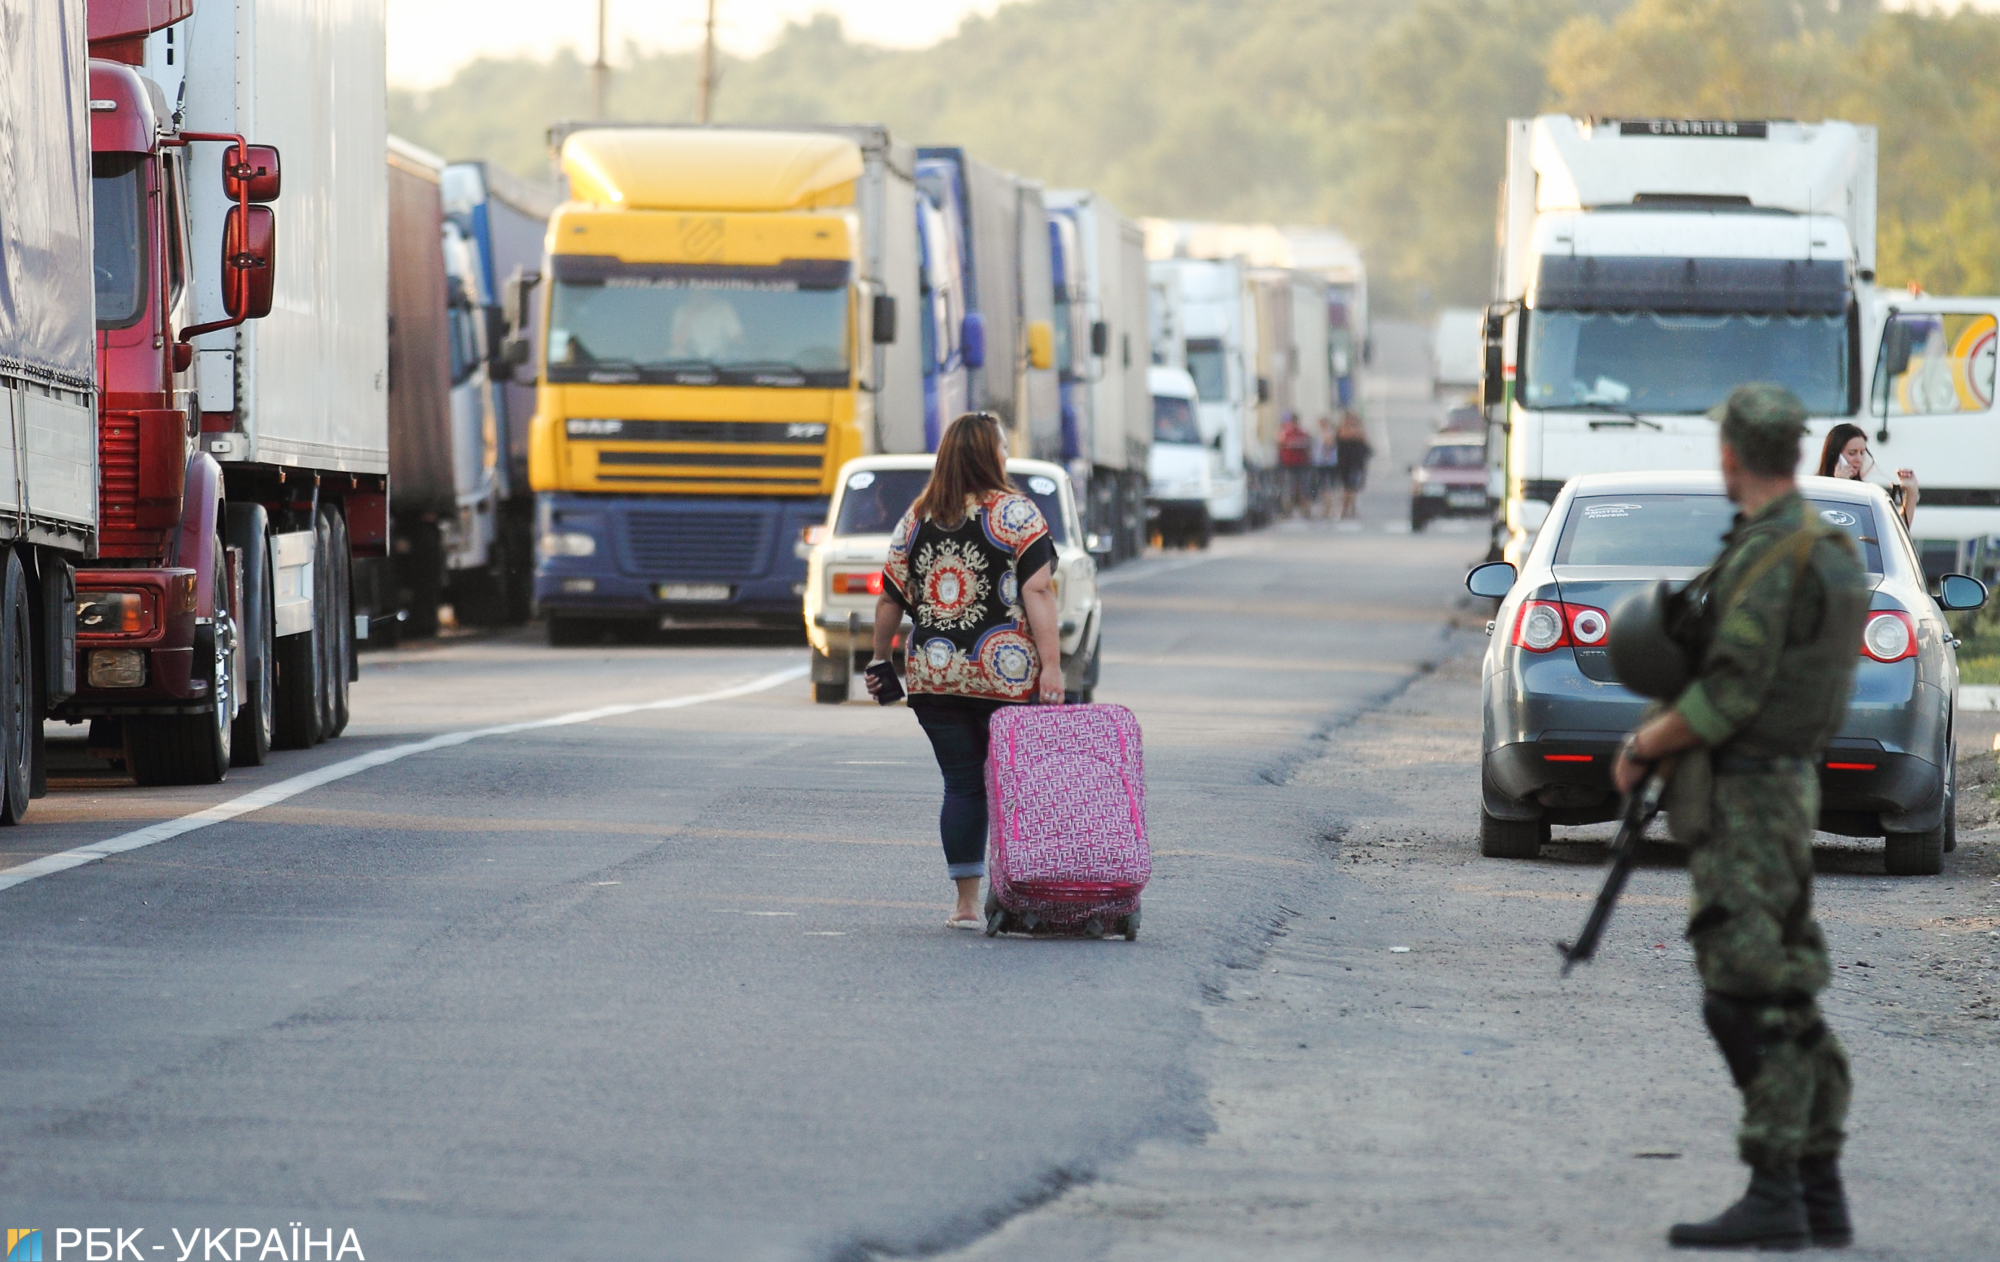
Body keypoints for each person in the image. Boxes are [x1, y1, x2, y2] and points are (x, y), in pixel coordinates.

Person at [1612, 384, 1870, 1251]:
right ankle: (1820, 1191)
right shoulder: (1826, 545)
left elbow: (1732, 689)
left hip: (1752, 796)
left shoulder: (1773, 556)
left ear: (1732, 454)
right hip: (1788, 782)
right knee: (1787, 992)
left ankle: (1776, 1189)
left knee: (1743, 995)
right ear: (1795, 453)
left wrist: (1647, 745)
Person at [865, 413, 1064, 929]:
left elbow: (890, 596)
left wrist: (878, 659)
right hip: (1007, 675)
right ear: (990, 454)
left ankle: (966, 906)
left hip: (936, 676)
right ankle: (1019, 895)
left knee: (963, 784)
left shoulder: (918, 518)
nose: (1004, 453)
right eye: (1001, 445)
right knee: (1013, 787)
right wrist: (1053, 667)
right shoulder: (1017, 516)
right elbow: (1038, 591)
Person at [1816, 421, 1919, 530]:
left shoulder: (1866, 494)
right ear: (1835, 455)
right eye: (1852, 453)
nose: (1859, 459)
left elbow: (1893, 532)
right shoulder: (1815, 491)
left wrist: (1911, 493)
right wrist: (1840, 487)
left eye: (1862, 453)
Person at [1333, 411, 1372, 520]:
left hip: (1356, 462)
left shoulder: (1358, 431)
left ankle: (1350, 509)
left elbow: (1362, 438)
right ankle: (1347, 509)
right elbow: (1343, 436)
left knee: (1352, 487)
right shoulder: (1341, 430)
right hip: (1344, 462)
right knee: (1347, 488)